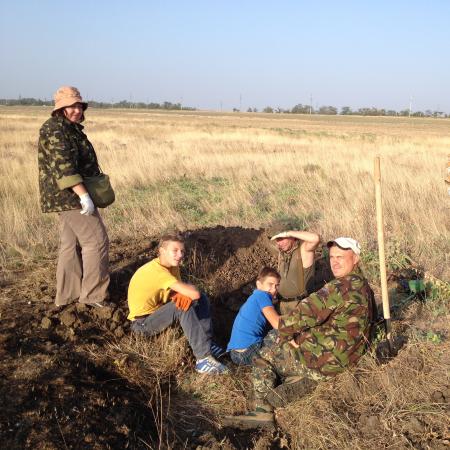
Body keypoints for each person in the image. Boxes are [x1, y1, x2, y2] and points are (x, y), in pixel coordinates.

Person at [224, 237, 377, 429]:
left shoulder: (337, 287)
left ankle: (263, 409)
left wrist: (287, 335)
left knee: (266, 351)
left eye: (341, 257)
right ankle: (293, 377)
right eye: (332, 257)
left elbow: (300, 316)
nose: (334, 262)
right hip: (347, 357)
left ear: (355, 259)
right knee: (282, 337)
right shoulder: (365, 288)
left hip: (323, 361)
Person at [38, 86, 110, 308]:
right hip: (70, 196)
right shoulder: (56, 130)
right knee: (97, 242)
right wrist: (84, 196)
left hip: (67, 195)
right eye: (71, 105)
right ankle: (92, 297)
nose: (76, 109)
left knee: (70, 244)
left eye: (79, 105)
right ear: (60, 108)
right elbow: (65, 168)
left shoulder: (70, 128)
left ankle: (67, 296)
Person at [127, 233, 228, 375]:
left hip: (157, 313)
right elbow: (193, 293)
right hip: (142, 325)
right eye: (174, 251)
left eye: (182, 251)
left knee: (201, 299)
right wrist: (188, 293)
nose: (180, 255)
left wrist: (185, 294)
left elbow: (182, 294)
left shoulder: (172, 266)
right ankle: (203, 359)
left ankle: (207, 343)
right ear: (162, 251)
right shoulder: (157, 272)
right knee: (182, 306)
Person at [227, 267, 281, 366]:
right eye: (270, 284)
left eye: (277, 286)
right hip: (249, 351)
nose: (274, 289)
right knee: (284, 331)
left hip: (234, 355)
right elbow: (278, 324)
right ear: (258, 284)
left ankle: (262, 363)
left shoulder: (253, 298)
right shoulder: (262, 296)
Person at [266, 221, 321, 315]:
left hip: (299, 305)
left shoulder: (303, 250)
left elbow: (315, 238)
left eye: (281, 238)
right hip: (282, 304)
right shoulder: (282, 254)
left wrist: (289, 232)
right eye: (277, 240)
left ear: (291, 237)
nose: (278, 243)